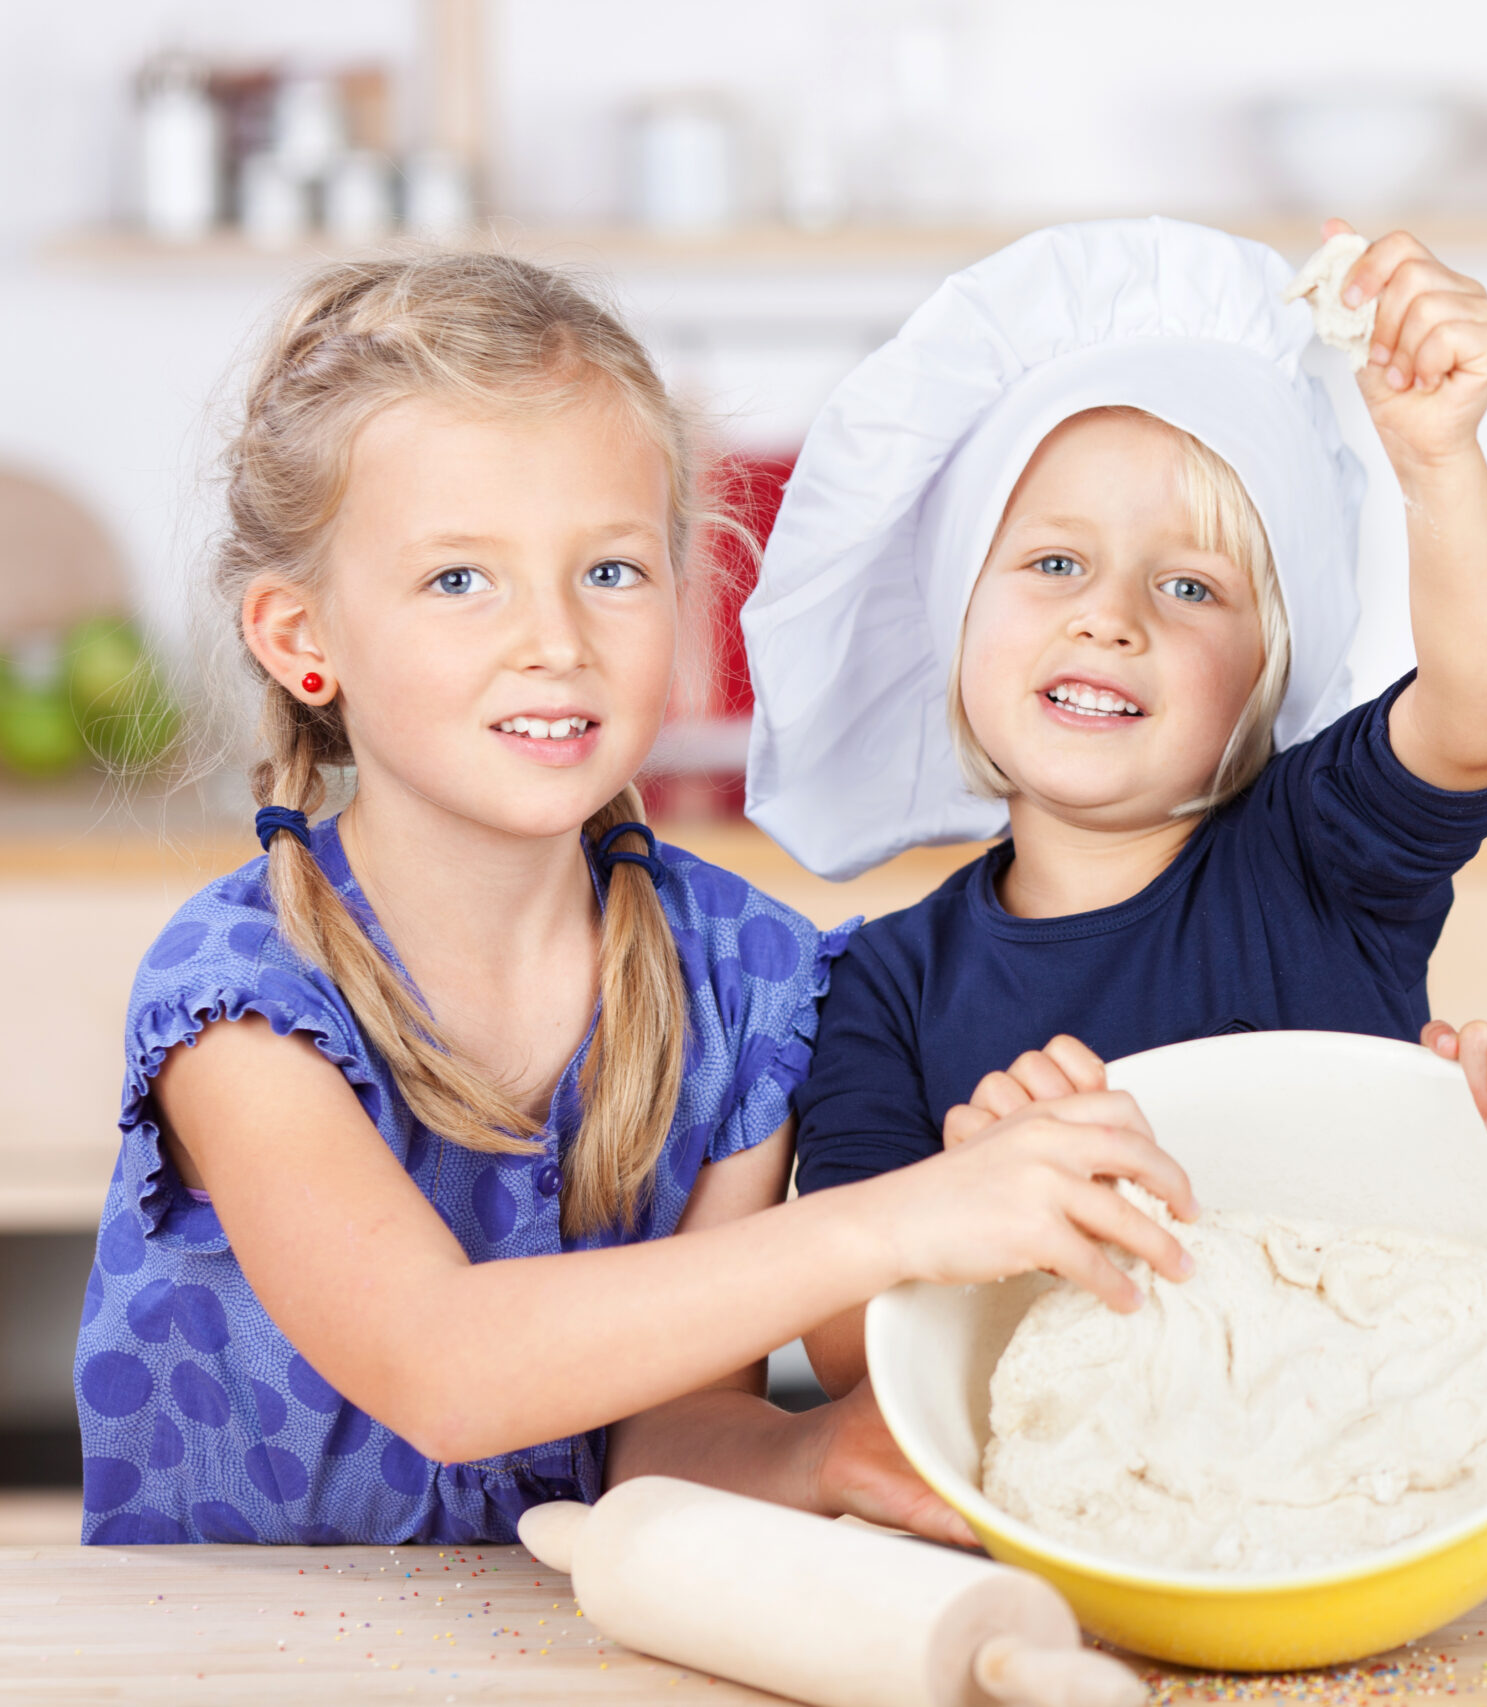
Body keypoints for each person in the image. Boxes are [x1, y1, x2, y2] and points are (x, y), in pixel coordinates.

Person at [72, 253, 1193, 1547]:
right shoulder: (241, 991)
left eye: (610, 570)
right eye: (459, 579)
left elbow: (666, 1442)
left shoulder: (751, 983)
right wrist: (903, 1216)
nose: (555, 637)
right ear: (299, 638)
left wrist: (828, 1449)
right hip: (225, 1663)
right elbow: (445, 1366)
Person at [743, 216, 1487, 1403]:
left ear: (1270, 673)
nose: (1109, 617)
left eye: (1190, 585)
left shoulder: (1318, 852)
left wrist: (1437, 459)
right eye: (1053, 564)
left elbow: (1479, 716)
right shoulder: (883, 985)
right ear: (951, 620)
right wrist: (973, 1201)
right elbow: (847, 1353)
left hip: (1354, 1442)